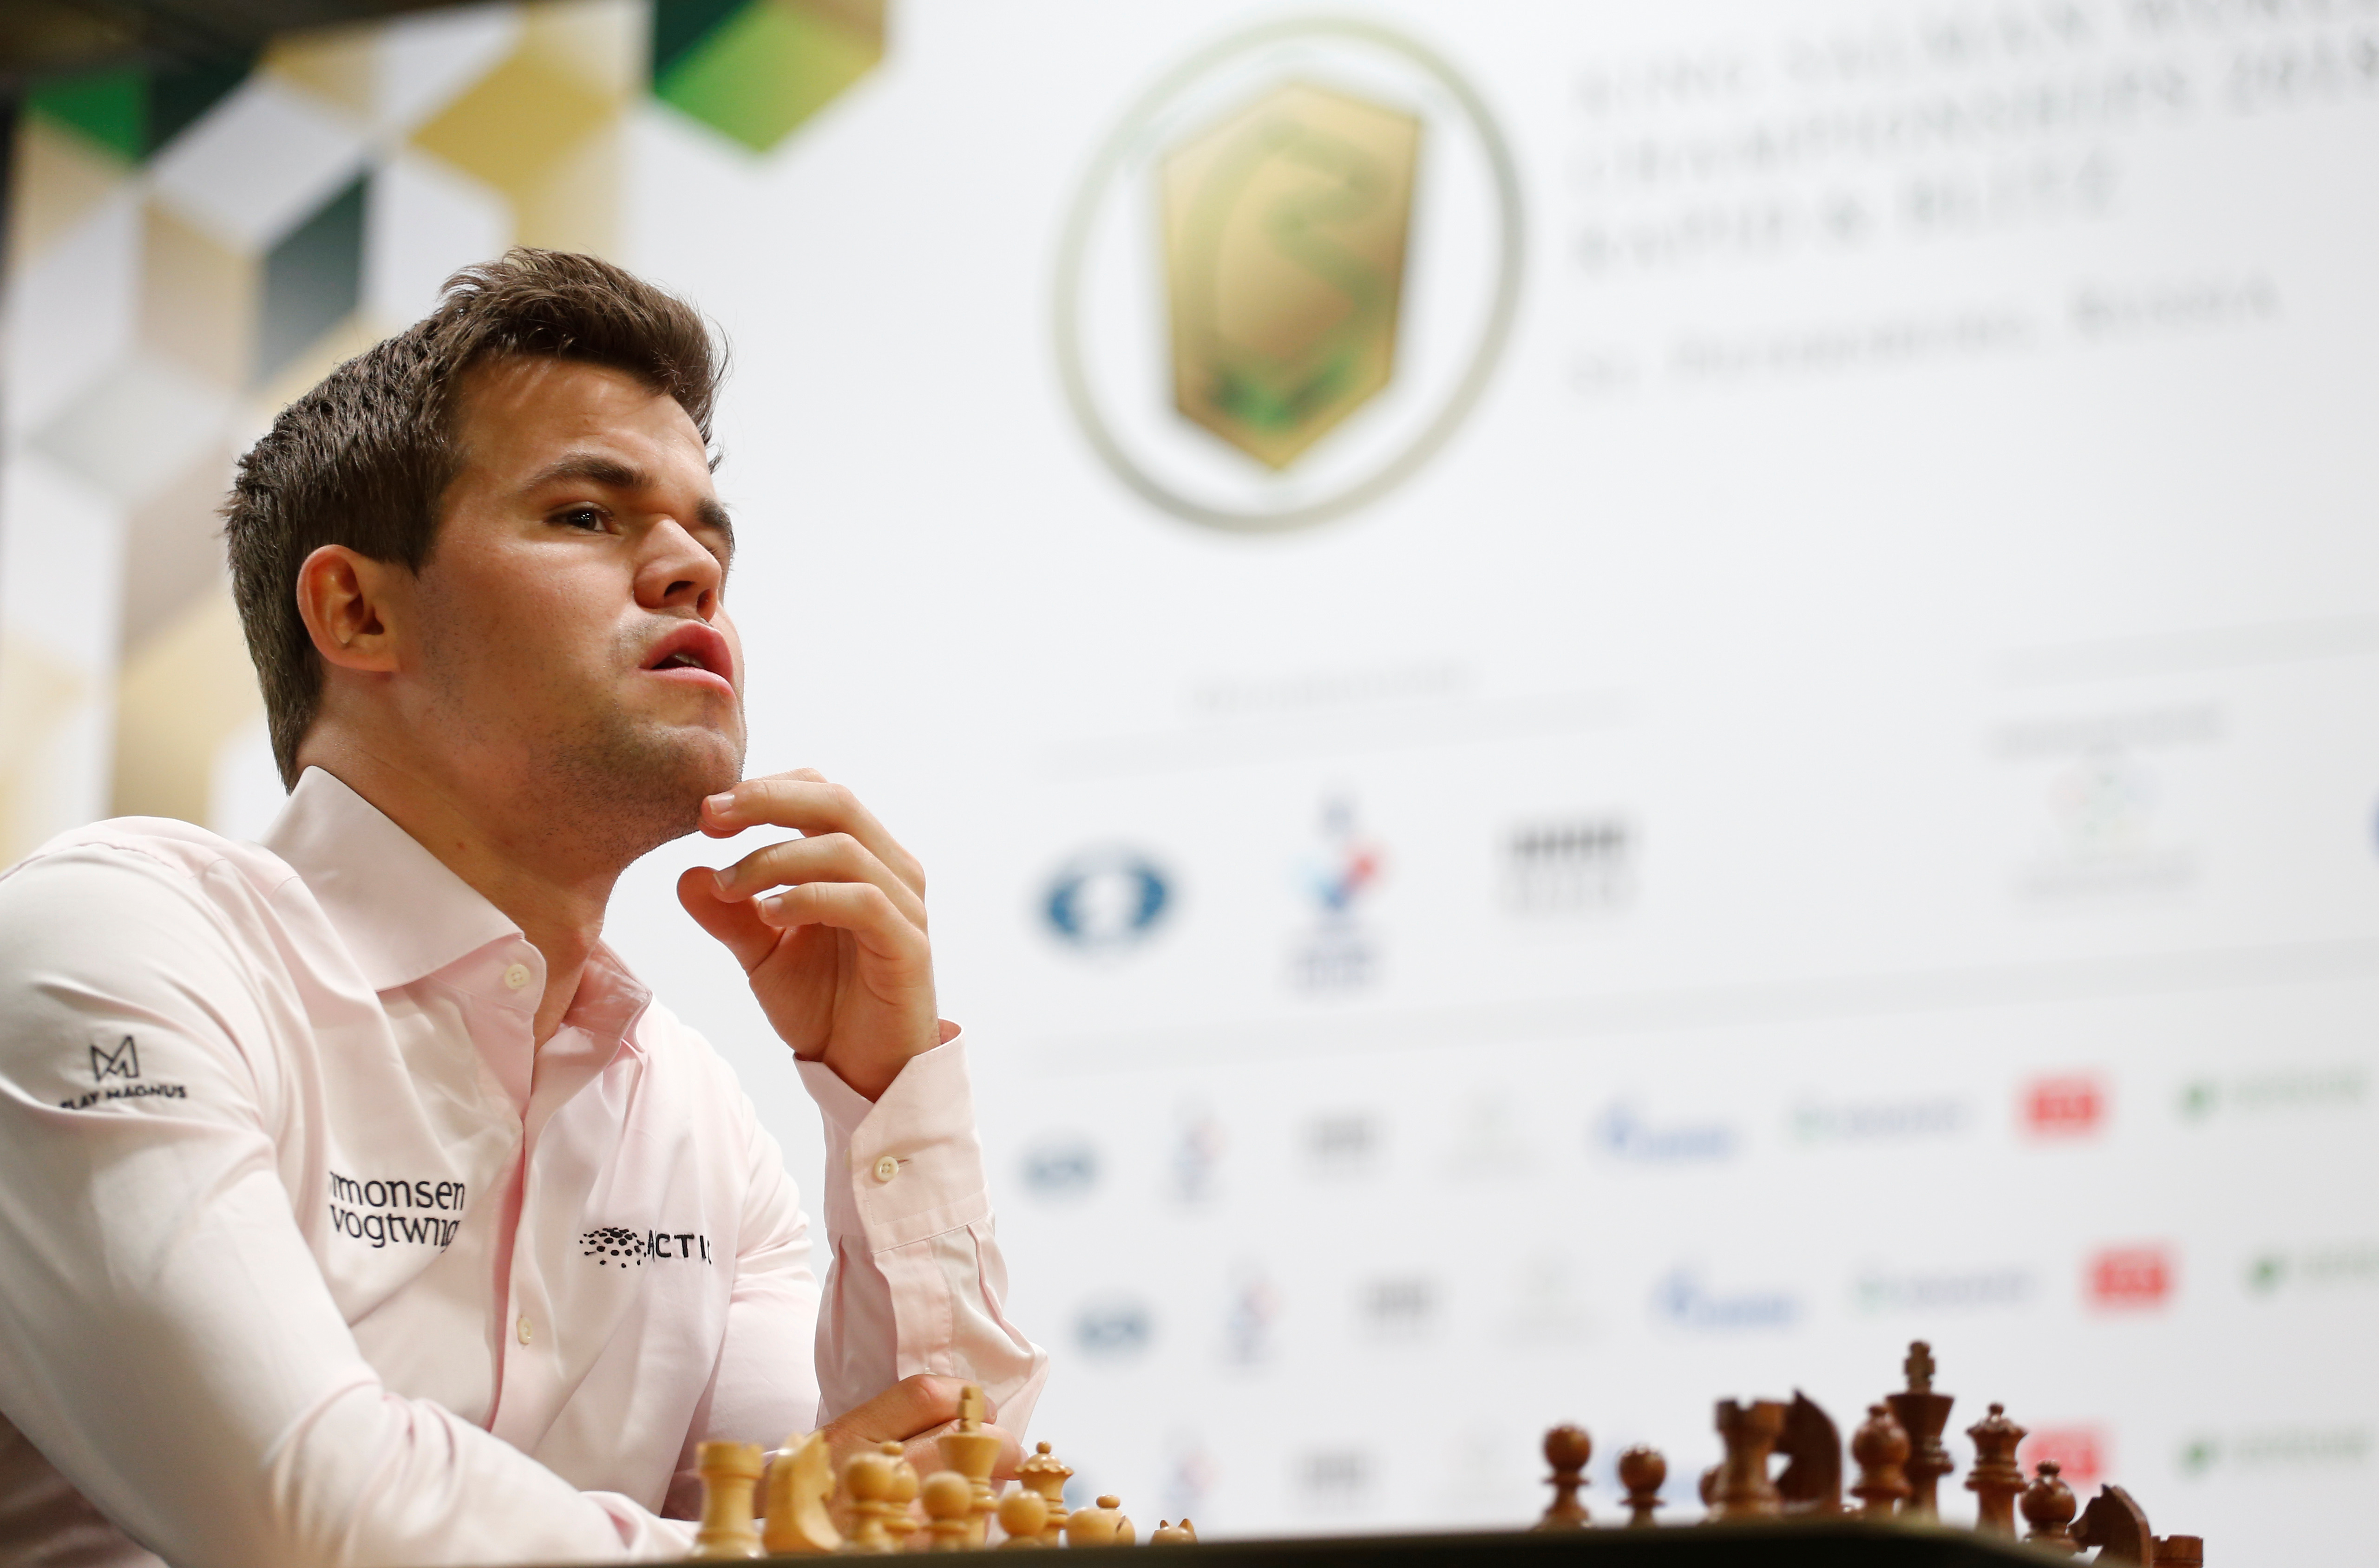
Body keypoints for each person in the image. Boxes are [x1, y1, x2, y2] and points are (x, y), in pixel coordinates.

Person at [0, 251, 1045, 1566]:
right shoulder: (113, 945)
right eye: (588, 516)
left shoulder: (692, 1120)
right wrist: (755, 1550)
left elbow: (931, 1513)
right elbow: (298, 1516)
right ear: (357, 612)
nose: (691, 570)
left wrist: (884, 1098)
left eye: (709, 537)